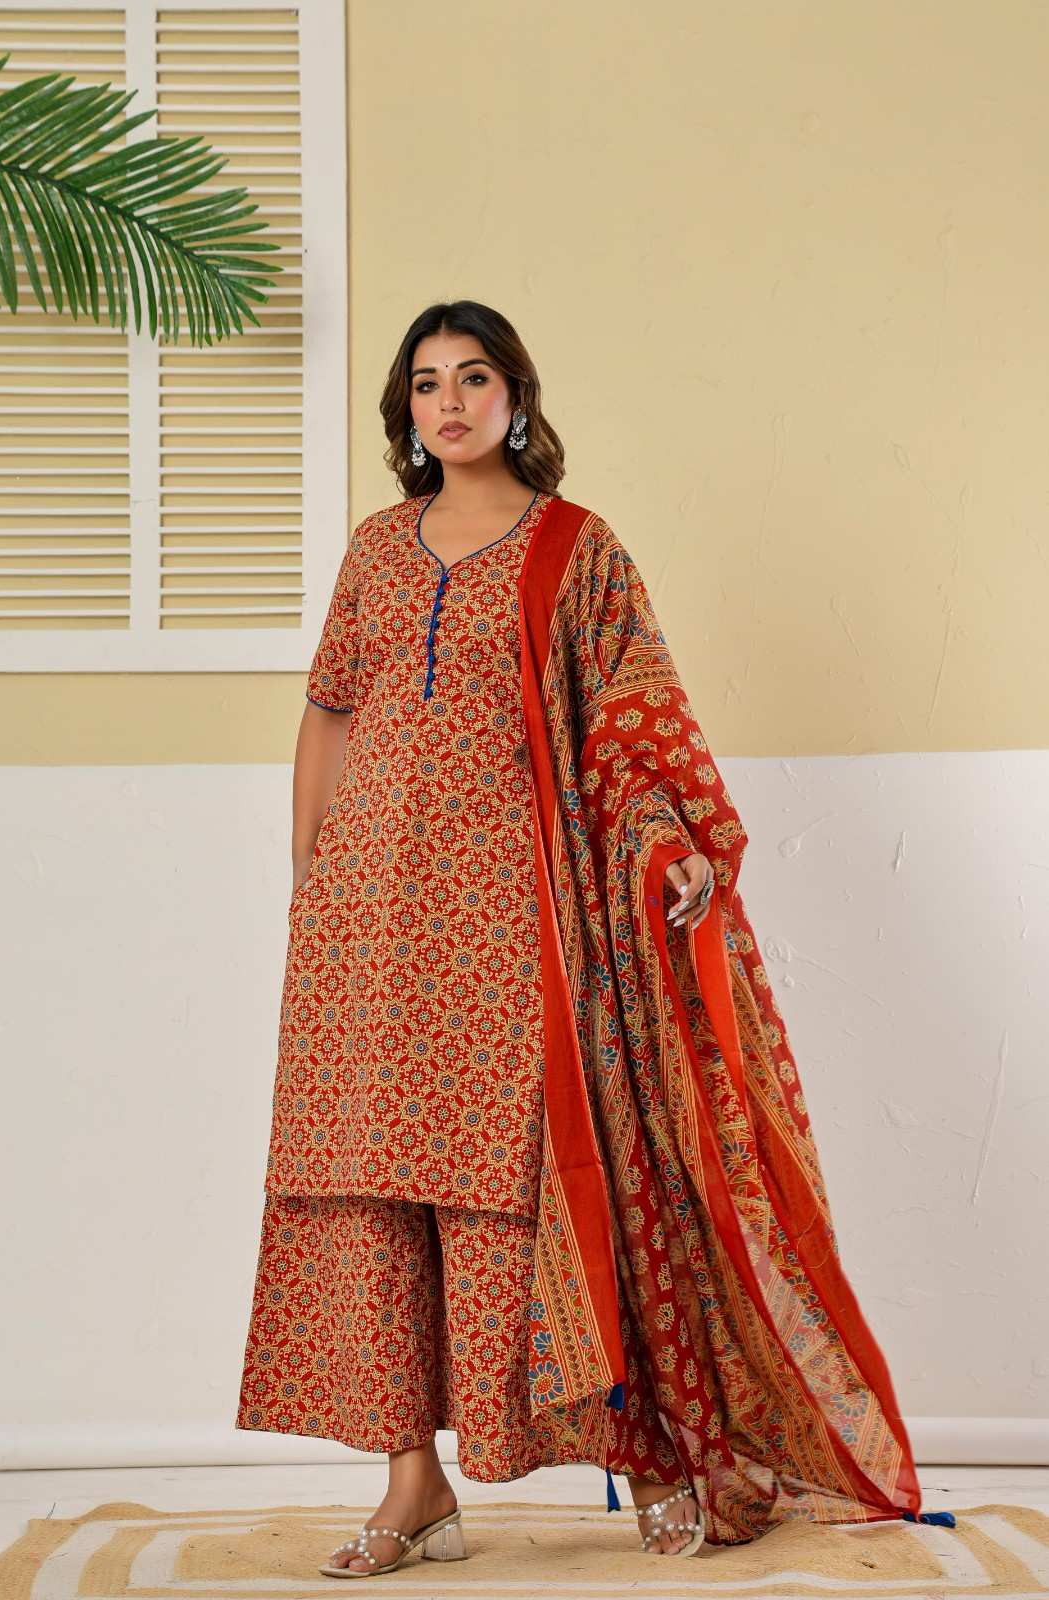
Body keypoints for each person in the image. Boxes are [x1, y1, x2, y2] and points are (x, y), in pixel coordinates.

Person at [236, 300, 934, 1579]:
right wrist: (308, 880)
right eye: (425, 384)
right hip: (364, 930)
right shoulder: (376, 551)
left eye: (473, 377)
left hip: (519, 923)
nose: (447, 402)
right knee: (376, 1193)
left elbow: (635, 716)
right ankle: (412, 1485)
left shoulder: (575, 547)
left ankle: (653, 1449)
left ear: (516, 395)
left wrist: (670, 845)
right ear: (404, 411)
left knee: (563, 1179)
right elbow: (329, 712)